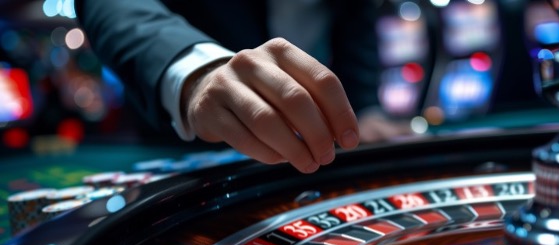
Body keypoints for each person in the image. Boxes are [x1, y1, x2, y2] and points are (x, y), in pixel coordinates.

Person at [75, 0, 411, 174]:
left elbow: (355, 22)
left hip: (323, 149)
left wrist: (364, 107)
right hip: (188, 149)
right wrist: (198, 73)